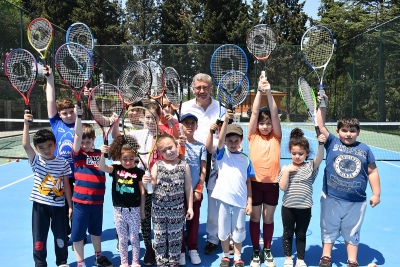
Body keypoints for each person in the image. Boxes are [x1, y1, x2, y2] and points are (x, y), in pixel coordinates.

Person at [316, 95, 381, 267]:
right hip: (331, 197)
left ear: (358, 132)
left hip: (356, 201)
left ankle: (352, 260)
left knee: (352, 231)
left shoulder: (365, 149)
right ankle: (326, 257)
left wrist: (377, 193)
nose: (348, 133)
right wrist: (323, 104)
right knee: (328, 228)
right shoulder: (332, 143)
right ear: (338, 131)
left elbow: (372, 171)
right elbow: (320, 125)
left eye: (352, 130)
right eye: (344, 130)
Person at [181, 73, 227, 254]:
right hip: (191, 160)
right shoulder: (185, 106)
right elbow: (180, 131)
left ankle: (213, 238)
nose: (201, 91)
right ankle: (187, 235)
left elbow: (224, 132)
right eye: (198, 87)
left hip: (215, 159)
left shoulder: (220, 108)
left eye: (205, 87)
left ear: (211, 88)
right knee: (191, 197)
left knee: (214, 200)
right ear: (193, 89)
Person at [22, 111, 72, 267]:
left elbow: (66, 185)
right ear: (37, 149)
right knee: (39, 237)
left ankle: (62, 262)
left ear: (55, 145)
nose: (47, 150)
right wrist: (26, 123)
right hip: (40, 206)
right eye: (42, 147)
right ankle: (40, 263)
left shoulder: (62, 163)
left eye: (50, 145)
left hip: (59, 206)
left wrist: (70, 206)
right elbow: (25, 144)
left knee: (61, 236)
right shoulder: (36, 161)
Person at [70, 106, 113, 267]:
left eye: (88, 142)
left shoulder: (98, 153)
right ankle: (80, 262)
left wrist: (103, 153)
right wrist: (78, 117)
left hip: (97, 203)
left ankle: (98, 256)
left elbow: (104, 168)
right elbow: (77, 135)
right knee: (78, 235)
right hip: (81, 203)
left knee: (96, 232)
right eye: (82, 142)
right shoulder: (78, 155)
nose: (85, 144)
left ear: (94, 139)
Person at [143, 132, 194, 267]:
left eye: (170, 147)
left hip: (177, 210)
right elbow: (151, 186)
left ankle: (173, 262)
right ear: (160, 153)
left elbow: (188, 189)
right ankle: (161, 262)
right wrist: (145, 181)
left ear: (176, 145)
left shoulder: (184, 166)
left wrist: (190, 207)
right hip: (158, 210)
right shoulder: (157, 166)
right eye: (164, 150)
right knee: (159, 237)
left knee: (175, 237)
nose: (168, 151)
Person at [277, 128, 326, 267]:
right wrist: (287, 171)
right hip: (288, 208)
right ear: (290, 152)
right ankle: (288, 258)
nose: (297, 156)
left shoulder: (310, 167)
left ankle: (300, 259)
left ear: (306, 153)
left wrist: (321, 144)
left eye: (301, 153)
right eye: (294, 153)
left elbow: (320, 158)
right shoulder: (286, 167)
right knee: (288, 234)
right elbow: (282, 187)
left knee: (301, 234)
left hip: (305, 208)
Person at [211, 110, 254, 267]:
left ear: (241, 140)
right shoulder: (222, 155)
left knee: (239, 231)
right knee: (223, 232)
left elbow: (248, 182)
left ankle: (237, 257)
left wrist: (249, 202)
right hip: (223, 200)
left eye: (236, 140)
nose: (233, 143)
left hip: (240, 202)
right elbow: (220, 140)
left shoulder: (246, 159)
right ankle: (225, 256)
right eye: (230, 141)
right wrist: (226, 121)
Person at [247, 75, 282, 267]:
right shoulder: (252, 136)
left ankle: (267, 249)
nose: (266, 126)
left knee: (268, 218)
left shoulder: (276, 137)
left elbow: (275, 114)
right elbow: (253, 114)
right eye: (263, 123)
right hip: (254, 184)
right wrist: (259, 92)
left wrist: (268, 91)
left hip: (272, 184)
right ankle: (255, 250)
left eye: (268, 123)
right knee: (254, 217)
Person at [99, 135, 146, 267]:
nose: (128, 161)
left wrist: (142, 210)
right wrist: (103, 154)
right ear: (119, 158)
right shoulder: (115, 169)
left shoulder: (139, 172)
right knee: (123, 239)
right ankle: (124, 262)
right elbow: (102, 167)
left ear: (135, 157)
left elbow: (142, 192)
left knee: (134, 238)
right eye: (124, 159)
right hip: (119, 211)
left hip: (134, 210)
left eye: (131, 158)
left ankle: (135, 262)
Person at [44, 66, 77, 237]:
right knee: (62, 204)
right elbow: (50, 101)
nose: (69, 115)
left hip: (77, 172)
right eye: (65, 113)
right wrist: (49, 78)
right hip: (60, 172)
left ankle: (78, 231)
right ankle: (65, 230)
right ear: (59, 115)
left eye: (71, 112)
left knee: (76, 204)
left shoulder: (79, 124)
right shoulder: (56, 124)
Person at [178, 113, 207, 265]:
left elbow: (203, 169)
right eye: (186, 123)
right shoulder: (176, 145)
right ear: (181, 126)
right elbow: (178, 162)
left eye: (192, 123)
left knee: (194, 221)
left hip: (194, 192)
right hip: (177, 190)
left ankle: (193, 248)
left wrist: (199, 188)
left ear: (196, 126)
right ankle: (181, 249)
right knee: (178, 221)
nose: (189, 125)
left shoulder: (201, 147)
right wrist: (180, 145)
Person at [204, 120, 223, 255]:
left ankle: (229, 238)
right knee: (212, 213)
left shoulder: (235, 144)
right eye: (219, 127)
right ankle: (212, 239)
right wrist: (211, 132)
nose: (221, 129)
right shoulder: (214, 142)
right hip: (213, 182)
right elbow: (209, 147)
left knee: (229, 212)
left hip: (229, 185)